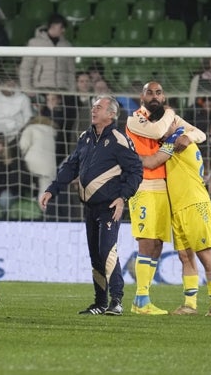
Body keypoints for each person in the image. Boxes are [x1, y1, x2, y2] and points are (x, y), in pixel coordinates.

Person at [40, 95, 142, 316]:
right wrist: (52, 189)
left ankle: (117, 300)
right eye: (93, 107)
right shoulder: (85, 137)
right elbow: (72, 165)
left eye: (99, 107)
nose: (93, 110)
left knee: (107, 252)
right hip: (90, 207)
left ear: (111, 114)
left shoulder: (119, 139)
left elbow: (136, 171)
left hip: (109, 207)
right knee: (96, 256)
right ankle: (100, 302)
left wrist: (123, 197)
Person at [125, 81, 206, 315]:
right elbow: (159, 132)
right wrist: (172, 117)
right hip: (143, 185)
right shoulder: (135, 119)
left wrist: (187, 138)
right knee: (147, 241)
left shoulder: (168, 118)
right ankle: (140, 299)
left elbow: (200, 133)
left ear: (163, 96)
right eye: (149, 92)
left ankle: (143, 299)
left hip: (163, 186)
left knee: (158, 244)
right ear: (142, 97)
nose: (154, 96)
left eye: (158, 92)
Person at [136, 120, 211, 317]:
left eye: (162, 126)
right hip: (178, 207)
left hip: (194, 203)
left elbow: (151, 162)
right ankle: (190, 304)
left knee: (204, 254)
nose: (158, 131)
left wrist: (127, 153)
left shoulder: (178, 139)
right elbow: (199, 133)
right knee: (185, 256)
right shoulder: (177, 138)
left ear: (173, 125)